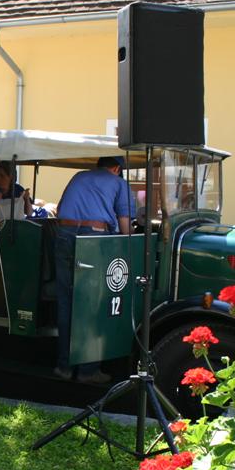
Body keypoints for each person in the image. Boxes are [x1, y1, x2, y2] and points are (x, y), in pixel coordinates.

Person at [54, 156, 135, 384]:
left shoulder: (79, 176)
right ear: (117, 169)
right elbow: (126, 226)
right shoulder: (119, 183)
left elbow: (61, 209)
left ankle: (64, 367)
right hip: (94, 238)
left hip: (64, 233)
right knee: (93, 305)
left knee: (67, 302)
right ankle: (88, 371)